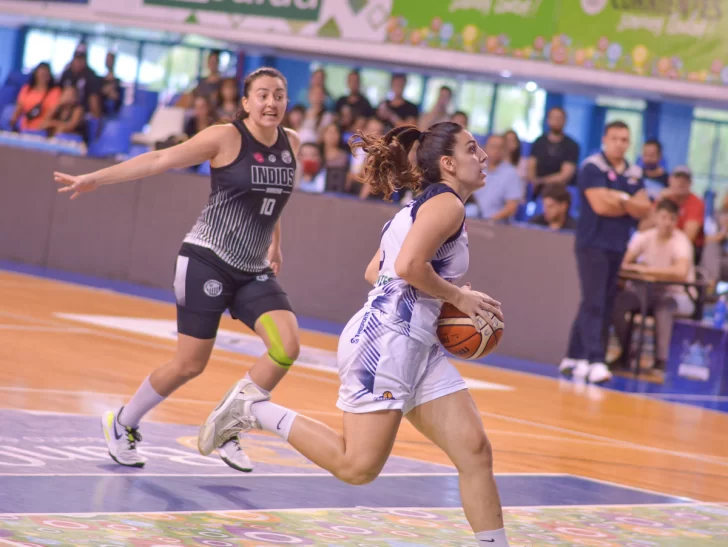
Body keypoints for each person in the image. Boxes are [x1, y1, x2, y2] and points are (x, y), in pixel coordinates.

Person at [198, 122, 511, 546]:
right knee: (357, 467)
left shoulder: (422, 205)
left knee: (475, 451)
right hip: (386, 344)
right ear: (448, 163)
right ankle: (253, 409)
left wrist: (444, 296)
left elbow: (376, 271)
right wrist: (458, 295)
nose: (484, 155)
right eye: (473, 149)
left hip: (414, 345)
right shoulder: (447, 206)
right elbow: (406, 269)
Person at [54, 67, 302, 472]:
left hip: (253, 269)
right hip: (207, 261)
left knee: (287, 346)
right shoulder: (226, 136)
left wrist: (276, 243)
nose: (271, 102)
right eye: (262, 95)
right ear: (245, 102)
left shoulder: (292, 143)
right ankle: (122, 423)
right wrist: (96, 178)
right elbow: (162, 158)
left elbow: (276, 198)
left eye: (278, 94)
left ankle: (229, 424)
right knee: (189, 364)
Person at [559, 121, 651, 384]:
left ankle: (573, 357)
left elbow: (645, 209)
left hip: (618, 244)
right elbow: (600, 206)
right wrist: (627, 201)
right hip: (592, 243)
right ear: (604, 139)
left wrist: (619, 200)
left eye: (624, 139)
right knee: (595, 300)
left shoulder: (634, 171)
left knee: (602, 300)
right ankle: (595, 359)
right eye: (615, 138)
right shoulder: (592, 166)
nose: (620, 144)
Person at [612, 199, 695, 371]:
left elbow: (680, 271)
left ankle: (661, 362)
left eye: (672, 219)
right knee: (618, 302)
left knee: (664, 306)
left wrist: (648, 271)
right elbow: (624, 262)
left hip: (678, 295)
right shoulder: (644, 237)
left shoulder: (681, 241)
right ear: (656, 216)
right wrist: (636, 268)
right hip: (647, 293)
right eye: (664, 217)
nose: (667, 223)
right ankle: (627, 353)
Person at [527, 106, 579, 200]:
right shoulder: (539, 142)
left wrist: (541, 181)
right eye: (553, 118)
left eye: (559, 118)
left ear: (565, 121)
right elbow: (531, 166)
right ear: (548, 120)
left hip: (559, 192)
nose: (556, 121)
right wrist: (534, 181)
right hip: (536, 191)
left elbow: (565, 175)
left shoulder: (572, 146)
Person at [9, 62, 61, 132]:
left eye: (45, 74)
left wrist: (42, 126)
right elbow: (19, 107)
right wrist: (13, 120)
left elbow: (52, 111)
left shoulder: (55, 92)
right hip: (24, 127)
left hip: (43, 129)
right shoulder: (26, 89)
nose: (43, 76)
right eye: (41, 73)